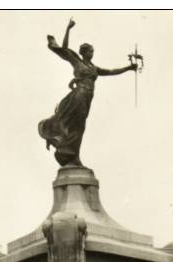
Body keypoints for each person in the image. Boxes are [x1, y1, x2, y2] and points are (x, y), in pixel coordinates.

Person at [38, 18, 138, 167]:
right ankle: (66, 150)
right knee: (74, 123)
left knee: (80, 126)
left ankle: (72, 155)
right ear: (84, 52)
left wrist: (129, 68)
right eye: (90, 50)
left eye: (93, 51)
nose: (92, 53)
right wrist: (68, 28)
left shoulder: (93, 68)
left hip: (87, 97)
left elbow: (111, 72)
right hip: (79, 94)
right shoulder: (77, 61)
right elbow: (64, 48)